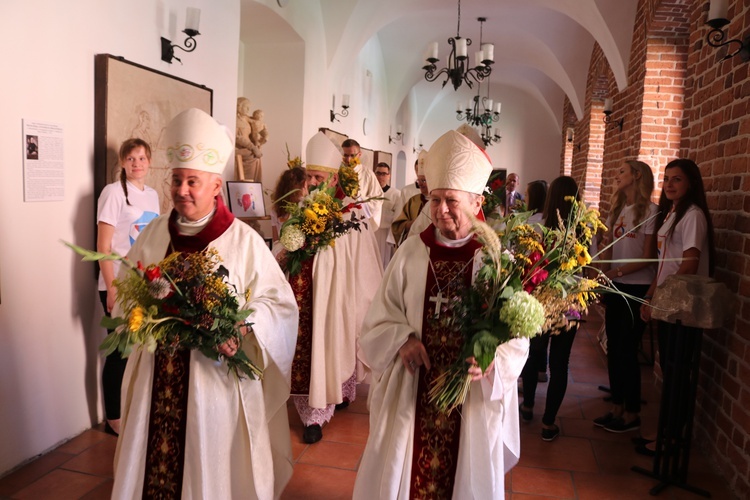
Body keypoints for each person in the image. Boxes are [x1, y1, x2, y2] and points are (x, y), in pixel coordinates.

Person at [111, 108, 299, 499]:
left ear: (216, 186)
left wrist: (244, 325)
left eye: (192, 181)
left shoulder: (243, 241)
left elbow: (279, 305)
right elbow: (130, 287)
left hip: (212, 384)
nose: (181, 190)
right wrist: (136, 311)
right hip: (156, 374)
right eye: (177, 180)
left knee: (206, 468)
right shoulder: (154, 232)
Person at [353, 130, 530, 499]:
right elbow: (378, 317)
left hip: (472, 395)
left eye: (451, 200)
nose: (441, 210)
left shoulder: (496, 261)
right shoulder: (410, 254)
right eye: (434, 199)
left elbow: (517, 334)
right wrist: (402, 339)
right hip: (413, 387)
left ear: (477, 201)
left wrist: (492, 360)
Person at [286, 132, 383, 444]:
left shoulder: (349, 213)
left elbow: (361, 257)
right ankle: (307, 407)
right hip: (303, 294)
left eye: (319, 176)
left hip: (334, 298)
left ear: (331, 177)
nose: (313, 183)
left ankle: (323, 406)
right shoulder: (298, 206)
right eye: (309, 176)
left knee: (330, 345)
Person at [637, 158, 714, 455]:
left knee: (678, 372)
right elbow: (664, 264)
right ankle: (665, 434)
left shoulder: (693, 215)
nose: (669, 184)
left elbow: (690, 262)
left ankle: (671, 439)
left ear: (691, 183)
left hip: (683, 305)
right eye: (667, 179)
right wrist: (650, 295)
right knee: (669, 369)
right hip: (668, 300)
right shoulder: (671, 214)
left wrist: (661, 295)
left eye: (677, 179)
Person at [96, 138, 160, 436]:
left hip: (143, 284)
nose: (137, 163)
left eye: (142, 158)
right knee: (119, 351)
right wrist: (111, 287)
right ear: (122, 162)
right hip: (118, 283)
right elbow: (103, 244)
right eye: (131, 158)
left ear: (149, 162)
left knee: (140, 351)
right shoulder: (113, 193)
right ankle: (114, 418)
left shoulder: (152, 195)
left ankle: (134, 409)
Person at [593, 161, 658, 433]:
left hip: (637, 287)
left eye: (622, 171)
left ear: (637, 176)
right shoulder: (618, 209)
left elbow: (646, 257)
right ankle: (616, 407)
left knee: (627, 351)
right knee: (613, 349)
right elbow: (608, 246)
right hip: (615, 284)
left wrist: (615, 271)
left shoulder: (651, 211)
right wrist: (602, 276)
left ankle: (632, 413)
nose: (617, 175)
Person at [519, 176, 581, 442]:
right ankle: (548, 422)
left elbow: (525, 264)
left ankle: (528, 406)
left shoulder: (536, 225)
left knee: (533, 355)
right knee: (560, 363)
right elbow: (587, 268)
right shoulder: (583, 230)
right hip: (569, 304)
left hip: (540, 302)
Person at [522, 180, 549, 383]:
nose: (525, 199)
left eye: (527, 195)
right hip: (544, 278)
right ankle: (541, 369)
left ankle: (528, 372)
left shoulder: (531, 221)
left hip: (530, 276)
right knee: (542, 327)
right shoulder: (548, 220)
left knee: (530, 327)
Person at [391, 152, 429, 246]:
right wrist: (411, 224)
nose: (420, 184)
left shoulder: (440, 202)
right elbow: (399, 224)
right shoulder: (413, 201)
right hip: (412, 245)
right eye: (419, 180)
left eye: (423, 180)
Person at [373, 162, 400, 267]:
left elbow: (397, 216)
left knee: (384, 263)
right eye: (378, 173)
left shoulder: (396, 194)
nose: (381, 176)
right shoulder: (370, 192)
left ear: (389, 175)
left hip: (386, 234)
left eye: (384, 174)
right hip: (372, 232)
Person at [271, 166, 308, 241]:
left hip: (279, 249)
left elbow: (275, 240)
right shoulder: (306, 206)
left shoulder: (276, 208)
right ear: (304, 185)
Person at [235, 97, 263, 181]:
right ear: (239, 107)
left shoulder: (246, 119)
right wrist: (253, 147)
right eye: (246, 107)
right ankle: (248, 182)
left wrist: (258, 141)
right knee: (252, 154)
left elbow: (258, 125)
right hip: (238, 149)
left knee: (257, 154)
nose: (248, 109)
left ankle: (255, 182)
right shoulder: (235, 120)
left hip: (247, 147)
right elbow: (237, 137)